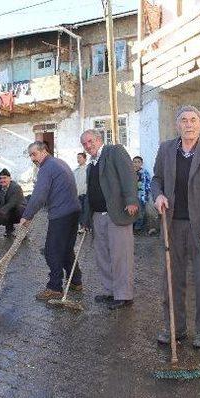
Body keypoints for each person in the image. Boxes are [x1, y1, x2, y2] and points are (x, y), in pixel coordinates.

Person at [151, 105, 200, 348]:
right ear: (177, 125)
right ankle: (175, 327)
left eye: (193, 120)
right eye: (184, 120)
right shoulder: (166, 149)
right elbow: (156, 179)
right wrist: (158, 195)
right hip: (172, 225)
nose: (189, 124)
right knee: (172, 280)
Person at [80, 129, 138, 310]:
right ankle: (110, 291)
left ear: (99, 140)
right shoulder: (91, 164)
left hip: (117, 213)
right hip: (98, 216)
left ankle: (124, 295)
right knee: (102, 256)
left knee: (121, 255)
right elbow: (90, 193)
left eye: (90, 141)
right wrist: (86, 218)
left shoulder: (114, 151)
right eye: (84, 144)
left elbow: (128, 175)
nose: (88, 146)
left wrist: (131, 200)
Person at [20, 141, 83, 301]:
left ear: (43, 151)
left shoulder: (46, 168)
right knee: (67, 248)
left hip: (61, 213)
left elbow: (39, 195)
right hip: (73, 210)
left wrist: (27, 216)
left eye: (34, 154)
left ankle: (54, 287)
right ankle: (76, 281)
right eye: (30, 156)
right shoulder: (59, 162)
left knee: (52, 250)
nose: (32, 158)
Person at [0, 168, 25, 238]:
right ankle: (9, 229)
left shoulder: (16, 188)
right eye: (0, 178)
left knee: (19, 210)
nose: (2, 180)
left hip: (18, 209)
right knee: (2, 215)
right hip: (6, 209)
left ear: (10, 178)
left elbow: (12, 203)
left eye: (4, 178)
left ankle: (24, 231)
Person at [132, 156, 152, 233]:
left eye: (138, 162)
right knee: (132, 211)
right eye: (135, 162)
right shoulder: (130, 172)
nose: (136, 164)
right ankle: (132, 226)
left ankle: (138, 228)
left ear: (141, 163)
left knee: (140, 212)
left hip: (141, 196)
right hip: (132, 196)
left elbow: (148, 183)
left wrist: (146, 194)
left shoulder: (145, 172)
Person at [73, 152, 88, 233]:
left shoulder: (88, 169)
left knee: (85, 210)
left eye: (80, 157)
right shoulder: (75, 171)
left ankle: (85, 226)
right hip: (77, 194)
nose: (78, 159)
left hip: (86, 194)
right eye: (77, 157)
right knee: (79, 210)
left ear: (85, 159)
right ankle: (81, 225)